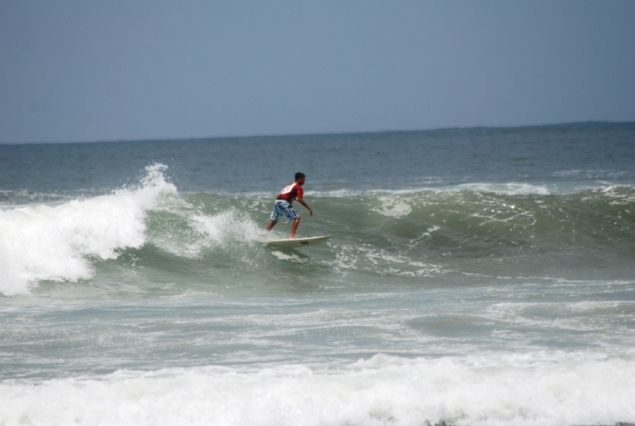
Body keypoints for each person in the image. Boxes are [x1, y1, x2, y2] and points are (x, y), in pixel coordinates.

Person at [266, 172, 313, 239]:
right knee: (297, 218)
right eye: (303, 179)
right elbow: (300, 199)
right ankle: (292, 236)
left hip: (277, 201)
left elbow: (286, 194)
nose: (304, 181)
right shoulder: (298, 187)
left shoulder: (289, 185)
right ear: (299, 179)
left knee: (274, 221)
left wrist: (292, 199)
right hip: (283, 202)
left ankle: (265, 234)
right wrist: (309, 208)